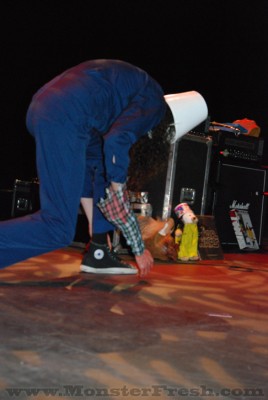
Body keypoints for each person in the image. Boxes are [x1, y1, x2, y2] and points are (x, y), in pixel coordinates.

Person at [0, 59, 174, 276]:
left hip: (43, 108)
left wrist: (97, 230)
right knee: (58, 228)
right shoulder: (154, 102)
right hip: (67, 114)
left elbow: (91, 169)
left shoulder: (117, 102)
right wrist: (138, 247)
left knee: (97, 171)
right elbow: (117, 142)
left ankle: (98, 252)